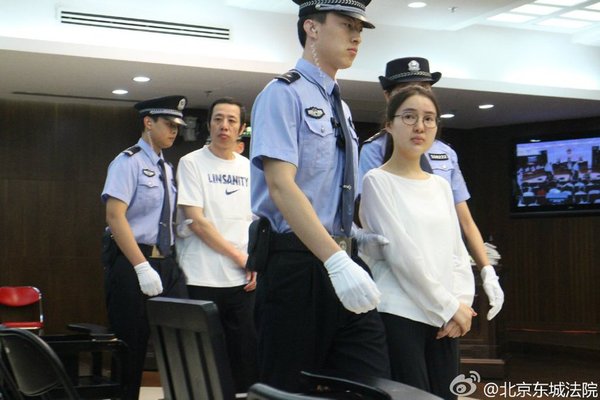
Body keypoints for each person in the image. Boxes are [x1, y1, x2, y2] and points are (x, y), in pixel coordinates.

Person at [249, 0, 390, 392]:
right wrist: (335, 259)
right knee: (289, 389)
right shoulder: (283, 94)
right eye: (346, 25)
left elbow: (331, 190)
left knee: (369, 384)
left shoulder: (339, 106)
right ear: (311, 28)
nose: (356, 37)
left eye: (359, 29)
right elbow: (281, 185)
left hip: (342, 259)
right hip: (297, 267)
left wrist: (355, 238)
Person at [359, 57, 504, 321]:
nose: (417, 93)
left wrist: (483, 273)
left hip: (445, 285)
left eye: (425, 88)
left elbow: (463, 223)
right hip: (402, 292)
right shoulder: (375, 155)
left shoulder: (444, 154)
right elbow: (390, 239)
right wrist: (447, 305)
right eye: (406, 89)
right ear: (388, 97)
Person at [359, 86, 475, 400]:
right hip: (401, 314)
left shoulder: (440, 185)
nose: (420, 126)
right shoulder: (377, 181)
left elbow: (457, 251)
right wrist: (449, 306)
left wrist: (462, 303)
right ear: (389, 124)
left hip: (444, 318)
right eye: (409, 117)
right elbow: (401, 254)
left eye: (428, 119)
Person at [101, 95, 189, 400]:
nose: (174, 131)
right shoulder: (128, 162)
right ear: (148, 122)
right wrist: (141, 267)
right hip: (133, 262)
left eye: (177, 126)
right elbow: (115, 216)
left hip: (167, 263)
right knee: (131, 348)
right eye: (168, 124)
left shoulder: (167, 167)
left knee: (182, 341)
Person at [175, 97, 258, 393]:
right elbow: (197, 221)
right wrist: (239, 257)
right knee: (202, 361)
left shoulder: (250, 168)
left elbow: (257, 221)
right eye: (218, 119)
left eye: (231, 120)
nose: (224, 126)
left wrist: (255, 261)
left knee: (244, 360)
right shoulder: (191, 162)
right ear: (209, 124)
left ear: (242, 129)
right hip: (201, 276)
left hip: (242, 281)